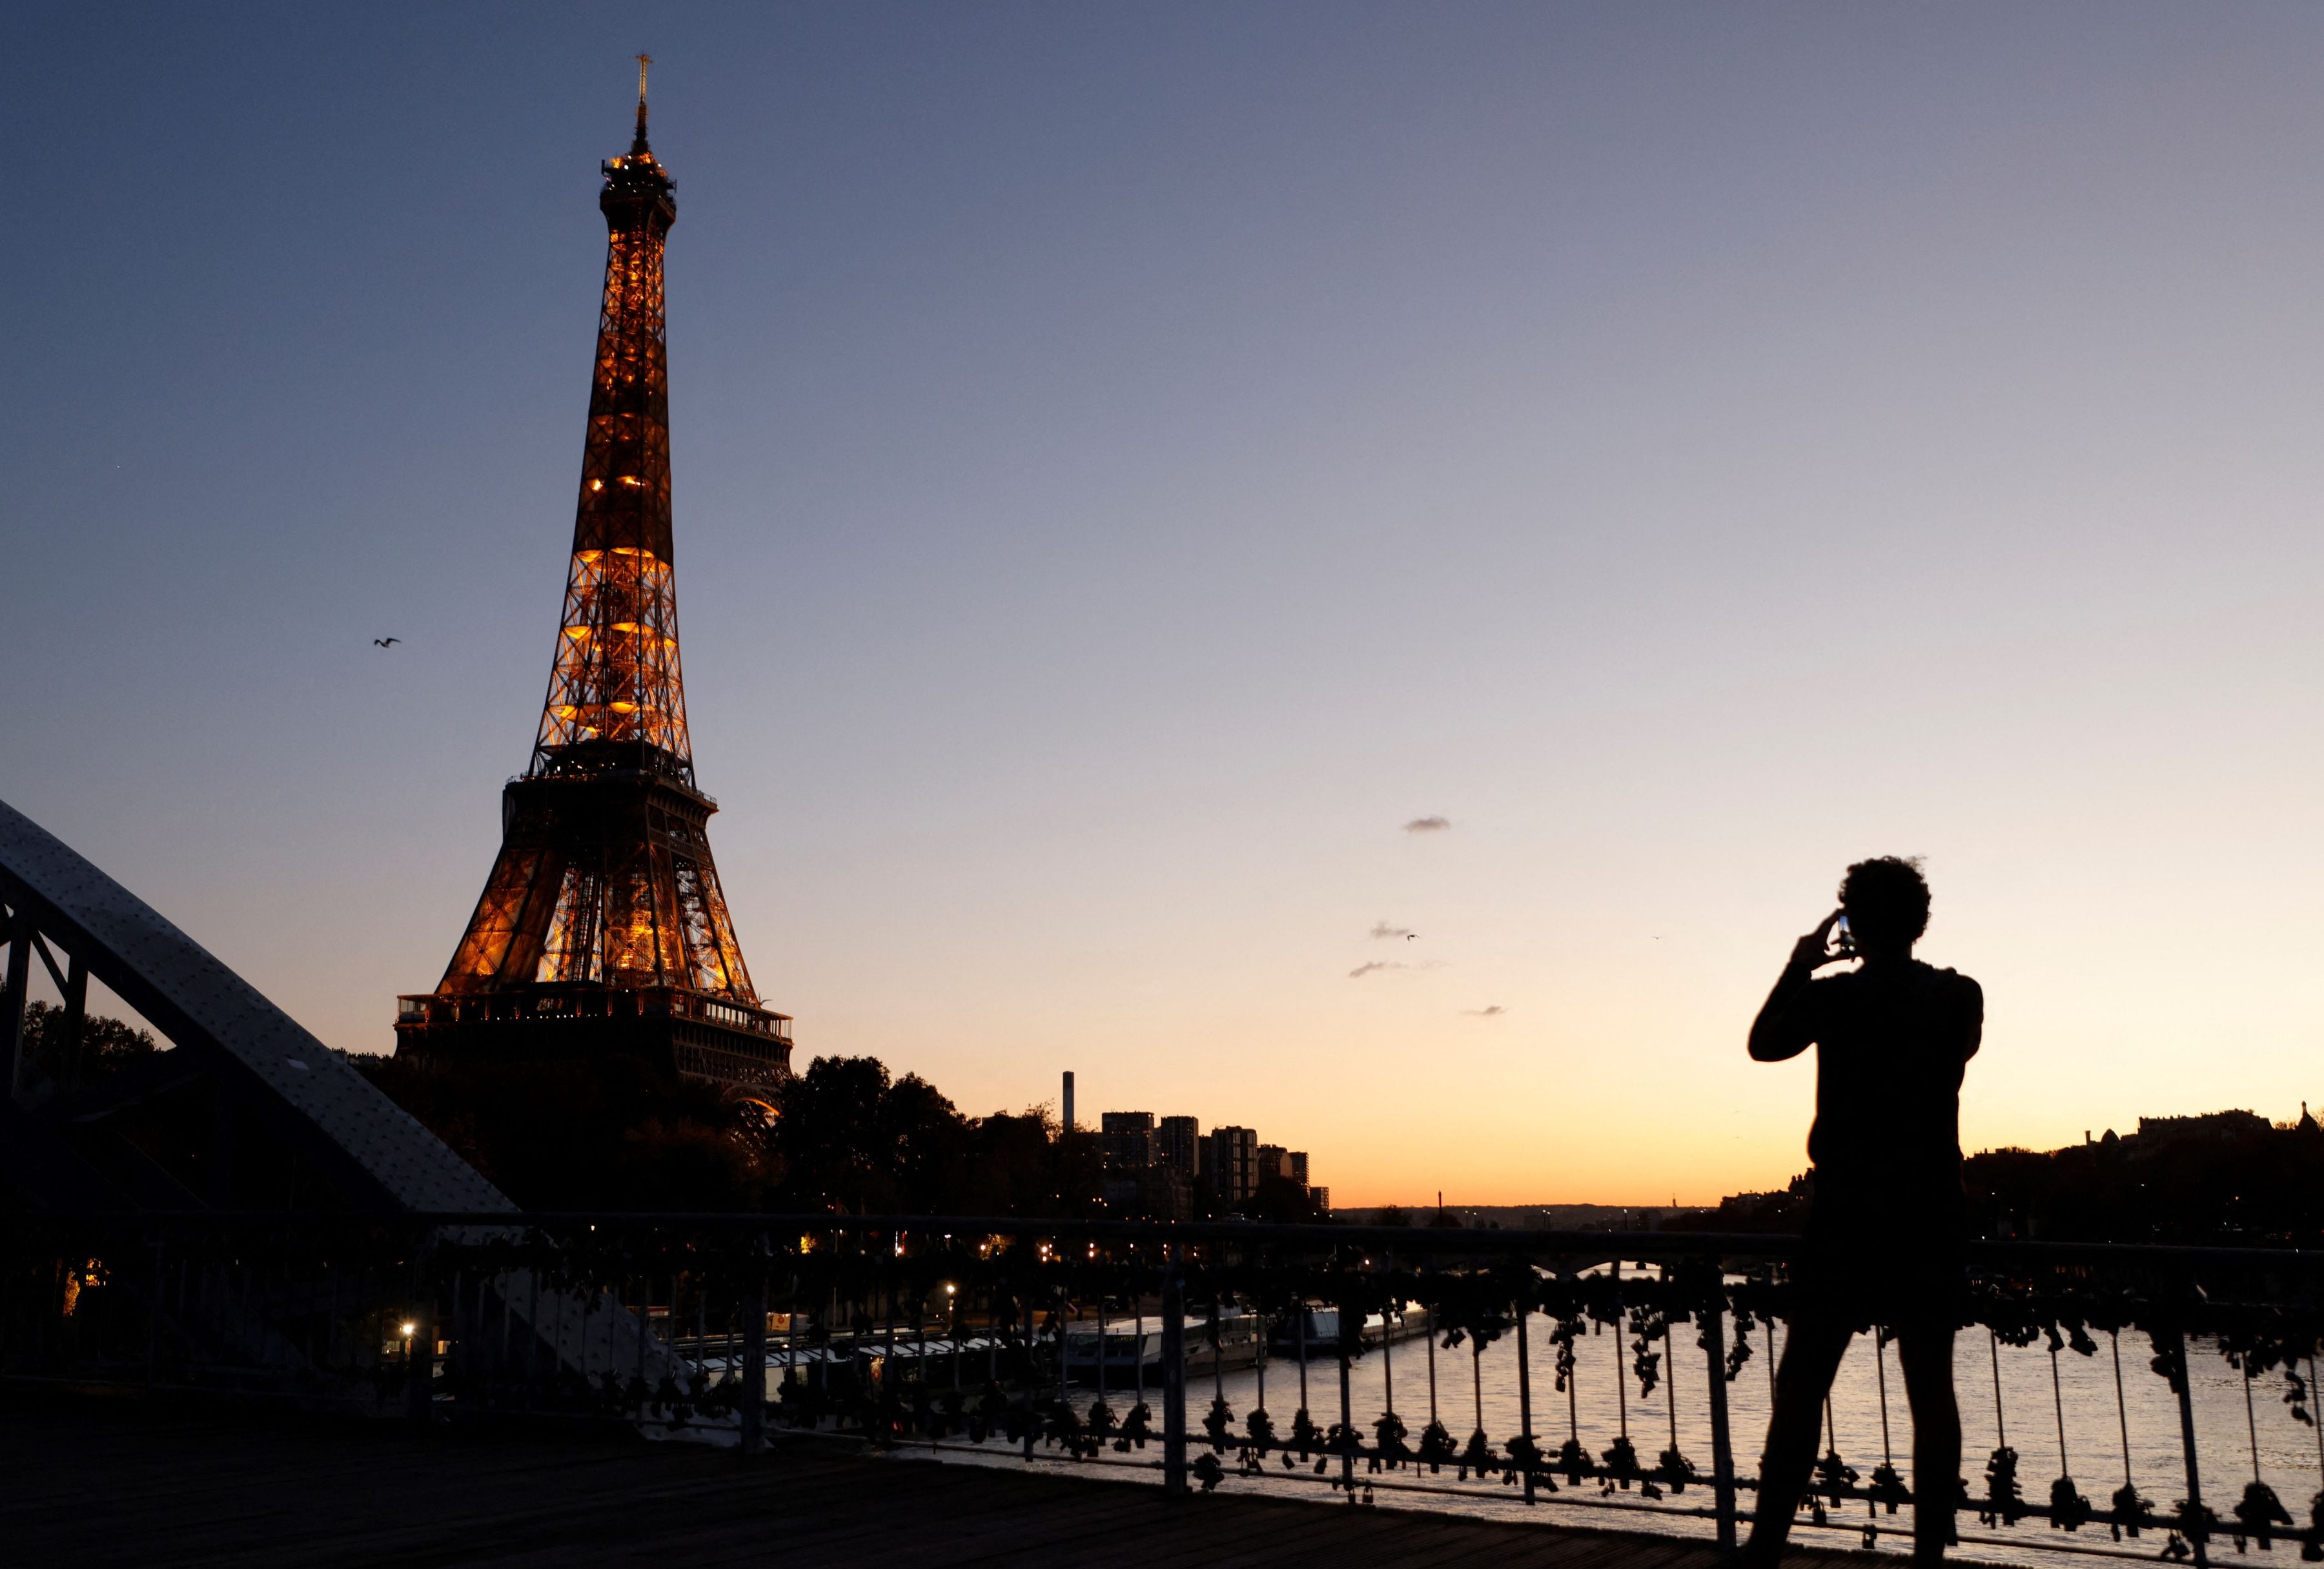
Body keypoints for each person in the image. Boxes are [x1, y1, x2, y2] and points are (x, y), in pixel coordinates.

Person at [1741, 856, 1983, 1568]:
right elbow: (1957, 1051)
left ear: (1853, 921)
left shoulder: (1832, 1001)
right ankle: (1929, 1557)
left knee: (1802, 1388)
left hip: (1846, 1210)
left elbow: (1763, 1044)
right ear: (1921, 921)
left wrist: (1801, 963)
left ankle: (1764, 1548)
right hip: (1930, 1209)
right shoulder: (1959, 996)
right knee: (1930, 1391)